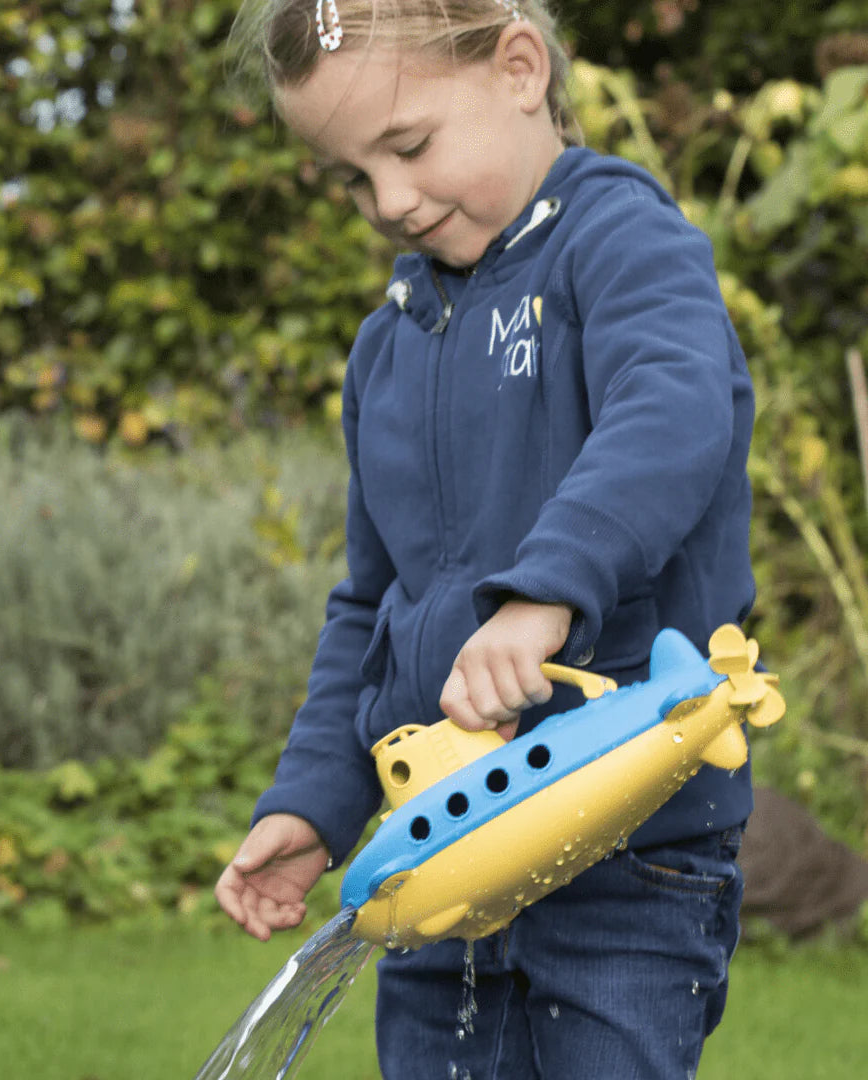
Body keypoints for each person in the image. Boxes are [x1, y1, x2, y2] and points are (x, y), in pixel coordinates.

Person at [215, 1, 755, 1076]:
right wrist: (316, 802)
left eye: (408, 147)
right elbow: (375, 604)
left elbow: (675, 411)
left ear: (518, 67)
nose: (390, 201)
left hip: (626, 850)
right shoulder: (391, 348)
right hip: (445, 850)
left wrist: (547, 587)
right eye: (354, 175)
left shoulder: (620, 245)